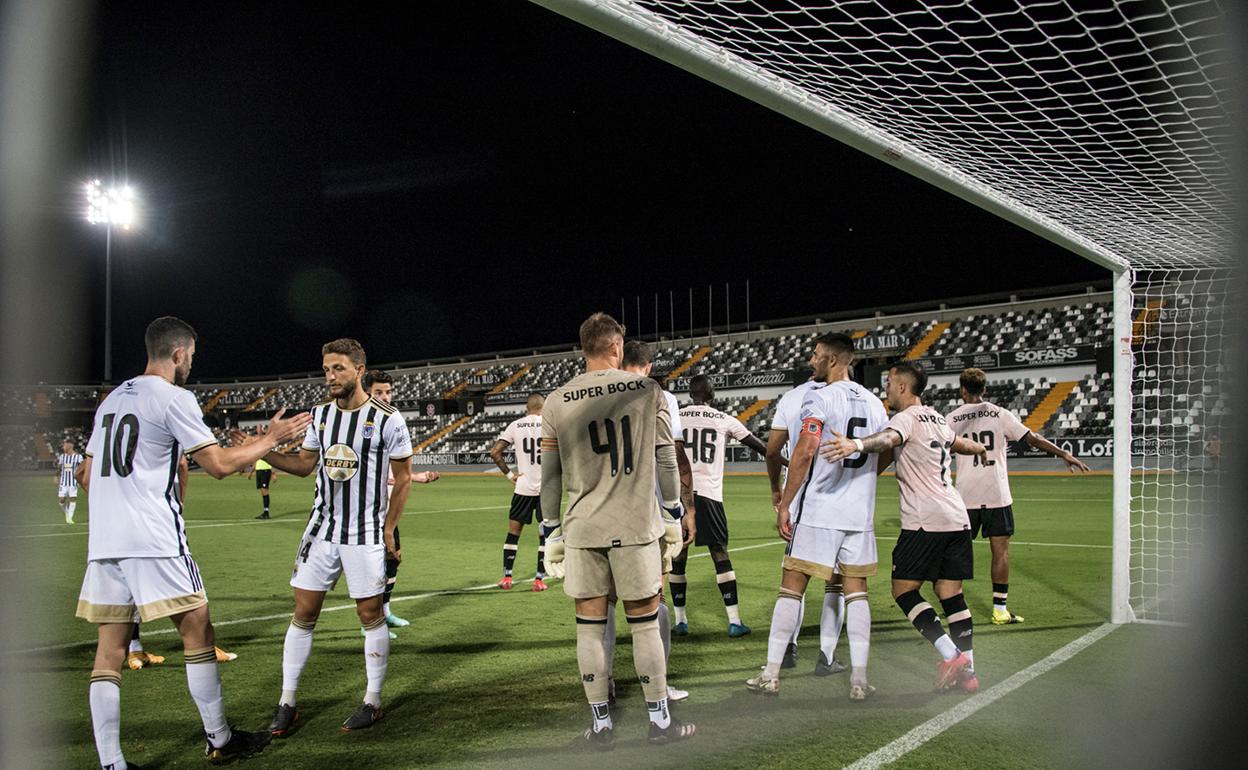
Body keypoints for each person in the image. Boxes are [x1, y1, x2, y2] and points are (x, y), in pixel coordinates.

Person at [74, 316, 311, 768]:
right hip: (154, 538)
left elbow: (86, 476)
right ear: (179, 354)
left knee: (110, 651)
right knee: (197, 627)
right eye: (191, 357)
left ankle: (111, 763)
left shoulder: (110, 401)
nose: (190, 364)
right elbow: (219, 465)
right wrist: (270, 439)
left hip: (104, 541)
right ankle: (220, 738)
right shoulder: (173, 397)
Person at [540, 313, 694, 747]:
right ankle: (660, 723)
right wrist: (672, 512)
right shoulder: (649, 391)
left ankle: (601, 726)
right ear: (616, 347)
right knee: (644, 625)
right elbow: (666, 460)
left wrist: (551, 531)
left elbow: (549, 477)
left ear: (584, 347)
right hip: (636, 525)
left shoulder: (556, 400)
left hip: (583, 528)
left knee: (589, 628)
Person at [256, 340, 414, 735]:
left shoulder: (388, 419)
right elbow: (304, 465)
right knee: (304, 613)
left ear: (359, 370)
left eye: (338, 368)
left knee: (369, 615)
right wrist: (262, 450)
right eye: (326, 369)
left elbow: (405, 478)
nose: (330, 376)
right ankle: (287, 701)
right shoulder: (320, 416)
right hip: (321, 531)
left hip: (363, 533)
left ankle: (373, 701)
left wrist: (389, 528)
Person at [821, 361, 987, 693]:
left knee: (904, 590)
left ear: (902, 387)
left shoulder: (904, 419)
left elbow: (888, 438)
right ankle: (968, 673)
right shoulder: (938, 418)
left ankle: (951, 655)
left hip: (924, 522)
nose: (886, 391)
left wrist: (855, 445)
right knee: (951, 594)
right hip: (956, 518)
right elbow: (960, 444)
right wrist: (980, 447)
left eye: (889, 384)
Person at [747, 333, 889, 700]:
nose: (811, 361)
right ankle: (859, 680)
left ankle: (771, 674)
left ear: (832, 360)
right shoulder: (876, 403)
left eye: (815, 355)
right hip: (859, 514)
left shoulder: (818, 397)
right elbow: (887, 449)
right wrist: (862, 481)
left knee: (791, 588)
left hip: (820, 511)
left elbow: (805, 450)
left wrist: (785, 503)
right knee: (856, 593)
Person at [947, 367, 1089, 624]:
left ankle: (955, 608)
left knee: (957, 551)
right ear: (985, 389)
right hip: (997, 494)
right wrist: (1063, 453)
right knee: (1000, 552)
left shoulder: (952, 419)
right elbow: (1032, 439)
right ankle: (1000, 611)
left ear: (962, 390)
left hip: (964, 495)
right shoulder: (1000, 414)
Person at [607, 339, 696, 704]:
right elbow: (672, 453)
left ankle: (604, 684)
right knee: (653, 598)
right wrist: (683, 507)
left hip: (603, 508)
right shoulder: (659, 394)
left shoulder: (592, 392)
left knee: (605, 602)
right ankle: (658, 688)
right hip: (649, 511)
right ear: (648, 365)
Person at [765, 347, 845, 675]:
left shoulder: (791, 398)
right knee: (836, 583)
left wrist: (777, 490)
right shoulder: (859, 396)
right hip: (841, 502)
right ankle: (826, 656)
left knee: (794, 583)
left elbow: (772, 451)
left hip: (801, 499)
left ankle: (787, 648)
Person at [676, 374, 769, 637]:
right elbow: (760, 447)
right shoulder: (724, 419)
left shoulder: (677, 416)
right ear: (711, 394)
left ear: (691, 394)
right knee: (719, 552)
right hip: (709, 495)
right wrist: (784, 463)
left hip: (679, 494)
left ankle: (680, 621)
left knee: (677, 555)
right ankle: (735, 621)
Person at [363, 368, 438, 633]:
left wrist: (416, 478)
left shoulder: (390, 424)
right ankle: (369, 622)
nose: (385, 397)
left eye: (388, 392)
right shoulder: (362, 427)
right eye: (378, 392)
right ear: (367, 393)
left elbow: (392, 476)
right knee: (371, 568)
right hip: (365, 514)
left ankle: (384, 612)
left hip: (387, 511)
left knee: (392, 559)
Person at [488, 392, 548, 591]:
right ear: (544, 407)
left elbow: (494, 452)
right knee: (544, 536)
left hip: (522, 488)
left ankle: (507, 578)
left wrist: (509, 475)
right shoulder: (550, 424)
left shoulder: (516, 425)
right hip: (546, 490)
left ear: (527, 408)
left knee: (513, 533)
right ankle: (539, 580)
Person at [57, 439, 84, 524]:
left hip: (73, 482)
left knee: (73, 498)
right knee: (62, 500)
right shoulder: (62, 457)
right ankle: (67, 514)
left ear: (70, 445)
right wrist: (56, 476)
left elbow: (82, 468)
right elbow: (59, 467)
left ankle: (70, 518)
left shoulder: (78, 457)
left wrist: (80, 478)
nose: (63, 447)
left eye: (65, 445)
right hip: (63, 482)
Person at [248, 452, 274, 520]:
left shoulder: (266, 450)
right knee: (262, 492)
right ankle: (265, 512)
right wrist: (251, 472)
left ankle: (266, 512)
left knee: (265, 491)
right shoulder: (259, 450)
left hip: (265, 471)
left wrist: (273, 473)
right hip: (259, 471)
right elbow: (257, 462)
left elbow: (272, 461)